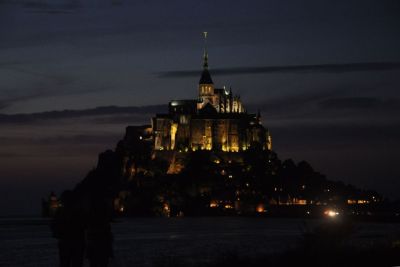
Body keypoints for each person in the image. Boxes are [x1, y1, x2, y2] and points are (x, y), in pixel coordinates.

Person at [51, 190, 86, 267]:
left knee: (65, 263)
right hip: (76, 243)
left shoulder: (60, 212)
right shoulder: (79, 211)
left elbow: (54, 226)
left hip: (66, 243)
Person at [86, 196, 114, 267]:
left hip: (94, 243)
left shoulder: (91, 217)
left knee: (94, 263)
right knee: (103, 262)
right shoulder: (104, 219)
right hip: (103, 243)